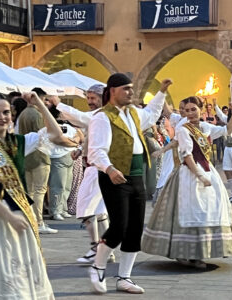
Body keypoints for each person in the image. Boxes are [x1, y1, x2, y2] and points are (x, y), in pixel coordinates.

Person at [0, 91, 72, 299]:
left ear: (13, 114)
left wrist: (38, 104)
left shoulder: (18, 142)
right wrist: (9, 216)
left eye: (6, 112)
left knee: (21, 277)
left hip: (19, 217)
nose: (2, 117)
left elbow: (55, 134)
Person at [87, 74, 172, 294]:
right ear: (113, 90)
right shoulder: (102, 117)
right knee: (119, 226)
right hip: (114, 175)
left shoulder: (133, 113)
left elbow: (152, 113)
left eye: (131, 89)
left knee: (134, 228)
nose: (131, 93)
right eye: (126, 89)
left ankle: (124, 277)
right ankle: (98, 267)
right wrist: (109, 168)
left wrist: (162, 91)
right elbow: (96, 150)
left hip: (135, 176)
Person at [141, 97, 232, 269]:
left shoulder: (205, 127)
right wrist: (200, 176)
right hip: (189, 174)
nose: (190, 113)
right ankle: (186, 253)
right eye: (186, 110)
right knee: (191, 211)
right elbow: (187, 155)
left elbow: (227, 131)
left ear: (201, 109)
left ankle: (200, 253)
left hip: (208, 171)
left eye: (193, 109)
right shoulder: (183, 129)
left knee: (209, 211)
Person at [49, 84, 115, 264]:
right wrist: (81, 150)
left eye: (93, 98)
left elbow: (82, 118)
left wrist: (59, 104)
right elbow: (91, 137)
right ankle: (105, 248)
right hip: (97, 167)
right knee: (100, 211)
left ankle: (97, 247)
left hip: (98, 168)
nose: (90, 102)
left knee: (85, 208)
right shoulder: (101, 115)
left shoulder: (102, 114)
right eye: (89, 98)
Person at [18, 88, 57, 234]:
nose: (46, 102)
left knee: (30, 191)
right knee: (40, 191)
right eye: (45, 99)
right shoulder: (37, 114)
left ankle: (30, 220)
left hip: (26, 156)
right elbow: (44, 136)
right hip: (39, 156)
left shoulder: (23, 114)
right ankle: (39, 222)